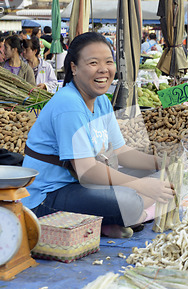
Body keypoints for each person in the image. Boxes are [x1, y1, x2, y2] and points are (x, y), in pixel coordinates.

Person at [21, 32, 174, 238]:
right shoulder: (69, 104)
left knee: (158, 179)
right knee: (130, 200)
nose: (103, 69)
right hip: (47, 197)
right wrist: (142, 186)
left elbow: (120, 151)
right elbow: (87, 171)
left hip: (80, 186)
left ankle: (102, 222)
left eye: (109, 62)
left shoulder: (101, 100)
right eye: (93, 62)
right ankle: (117, 217)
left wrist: (162, 162)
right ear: (74, 68)